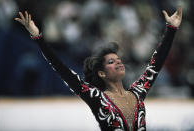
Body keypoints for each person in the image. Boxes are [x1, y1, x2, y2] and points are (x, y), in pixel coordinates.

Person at [15, 6, 182, 131]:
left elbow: (155, 64)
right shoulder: (96, 96)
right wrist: (38, 37)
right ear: (101, 73)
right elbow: (62, 69)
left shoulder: (137, 93)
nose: (118, 62)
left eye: (118, 60)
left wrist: (171, 29)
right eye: (111, 62)